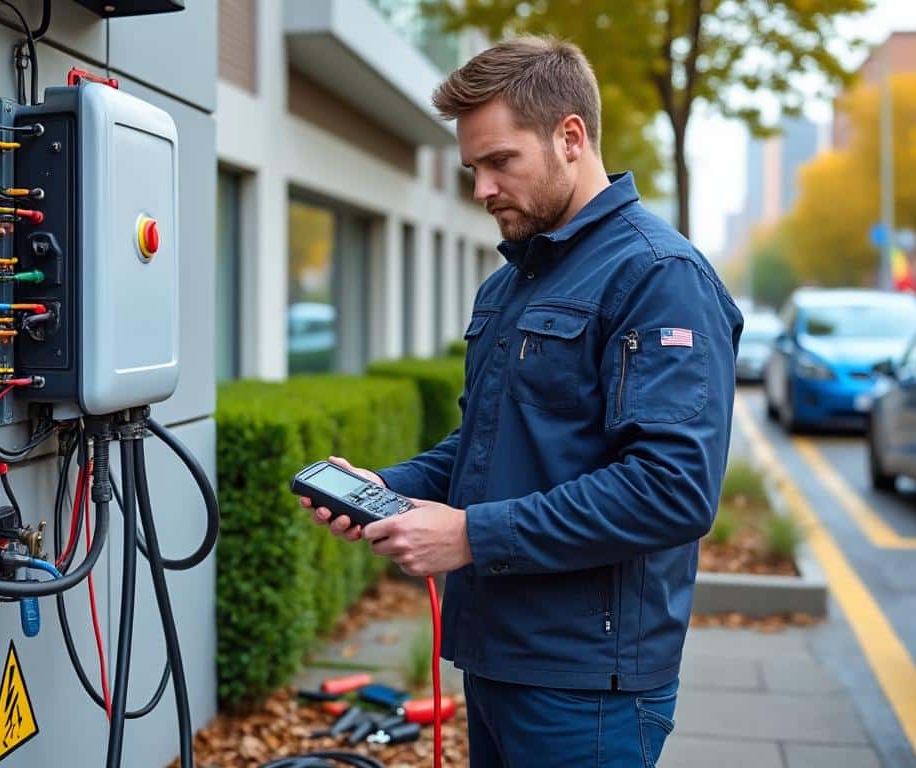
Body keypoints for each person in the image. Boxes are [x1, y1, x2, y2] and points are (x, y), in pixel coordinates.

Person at [301, 36, 743, 767]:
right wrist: (390, 489)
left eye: (500, 161)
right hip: (497, 661)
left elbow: (673, 489)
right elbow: (491, 440)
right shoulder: (511, 282)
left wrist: (472, 536)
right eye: (472, 168)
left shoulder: (659, 276)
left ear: (570, 137)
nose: (482, 189)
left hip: (587, 692)